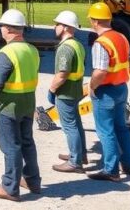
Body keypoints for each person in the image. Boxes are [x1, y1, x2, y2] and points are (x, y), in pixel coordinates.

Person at [0, 9, 42, 201]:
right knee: (27, 142)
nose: (1, 29)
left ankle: (9, 187)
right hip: (28, 101)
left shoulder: (6, 52)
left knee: (10, 146)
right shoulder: (32, 50)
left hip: (10, 104)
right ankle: (32, 180)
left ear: (8, 29)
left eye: (2, 26)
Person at [86, 2, 130, 181]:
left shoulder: (101, 43)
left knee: (105, 131)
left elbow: (100, 71)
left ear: (95, 22)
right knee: (121, 128)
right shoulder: (121, 38)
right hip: (121, 88)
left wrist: (92, 86)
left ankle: (111, 170)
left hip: (106, 91)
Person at [49, 10, 88, 173]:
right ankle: (80, 154)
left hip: (66, 92)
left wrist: (52, 89)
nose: (54, 26)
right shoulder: (77, 44)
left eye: (57, 24)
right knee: (76, 124)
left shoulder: (65, 48)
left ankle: (74, 161)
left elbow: (62, 74)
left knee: (69, 126)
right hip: (76, 89)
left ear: (65, 27)